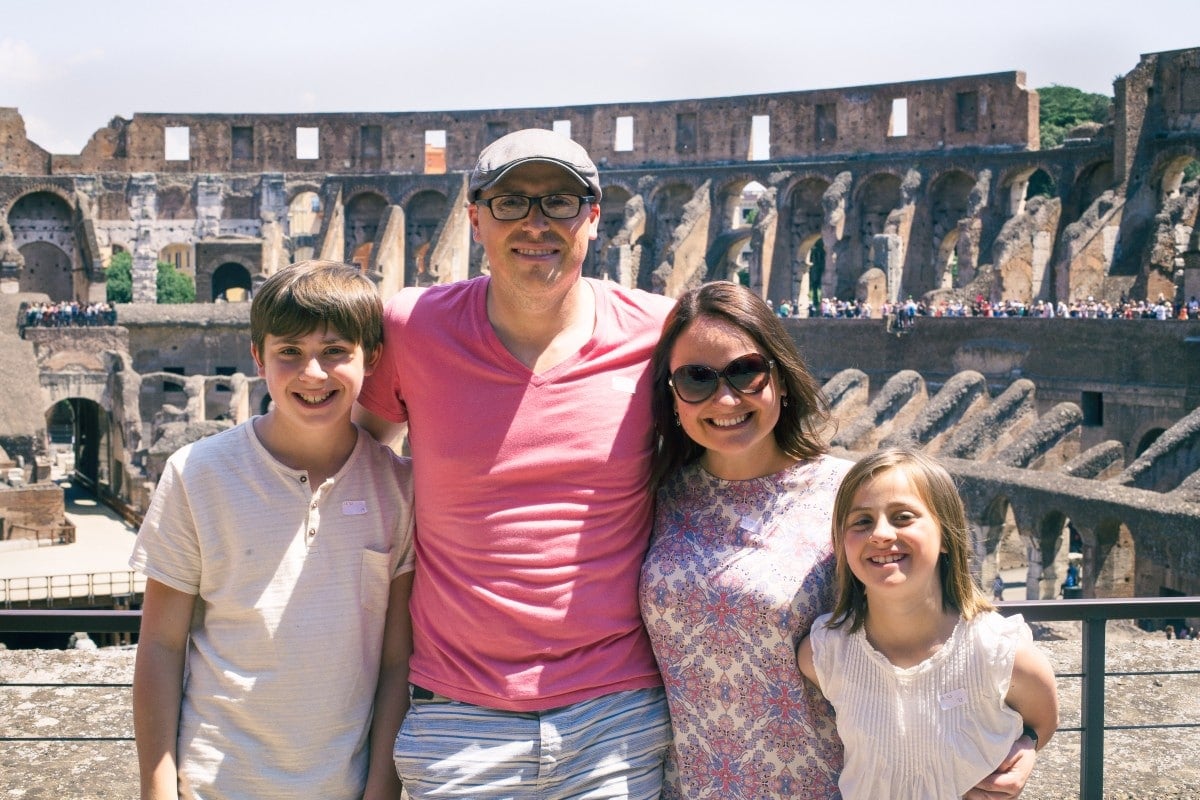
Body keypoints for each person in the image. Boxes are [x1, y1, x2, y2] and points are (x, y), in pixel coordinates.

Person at [354, 128, 676, 799]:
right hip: (458, 713)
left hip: (615, 712)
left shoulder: (660, 334)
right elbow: (357, 460)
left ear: (594, 216)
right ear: (474, 219)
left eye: (558, 201)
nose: (535, 223)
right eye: (510, 202)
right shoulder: (412, 327)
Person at [130, 261, 416, 800]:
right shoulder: (197, 474)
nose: (312, 372)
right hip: (214, 784)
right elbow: (161, 645)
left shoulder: (397, 489)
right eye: (290, 352)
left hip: (343, 788)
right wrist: (158, 789)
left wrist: (381, 791)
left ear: (370, 358)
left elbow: (396, 660)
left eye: (335, 351)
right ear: (259, 357)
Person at [639, 280, 853, 797]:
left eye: (745, 370)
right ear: (672, 396)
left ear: (779, 377)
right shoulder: (653, 495)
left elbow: (937, 630)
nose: (726, 398)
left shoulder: (849, 495)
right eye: (696, 379)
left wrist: (1020, 736)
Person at [796, 448, 1059, 800]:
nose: (881, 534)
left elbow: (1042, 722)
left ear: (946, 537)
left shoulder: (998, 652)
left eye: (903, 517)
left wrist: (1027, 748)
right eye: (861, 521)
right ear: (843, 543)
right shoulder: (824, 654)